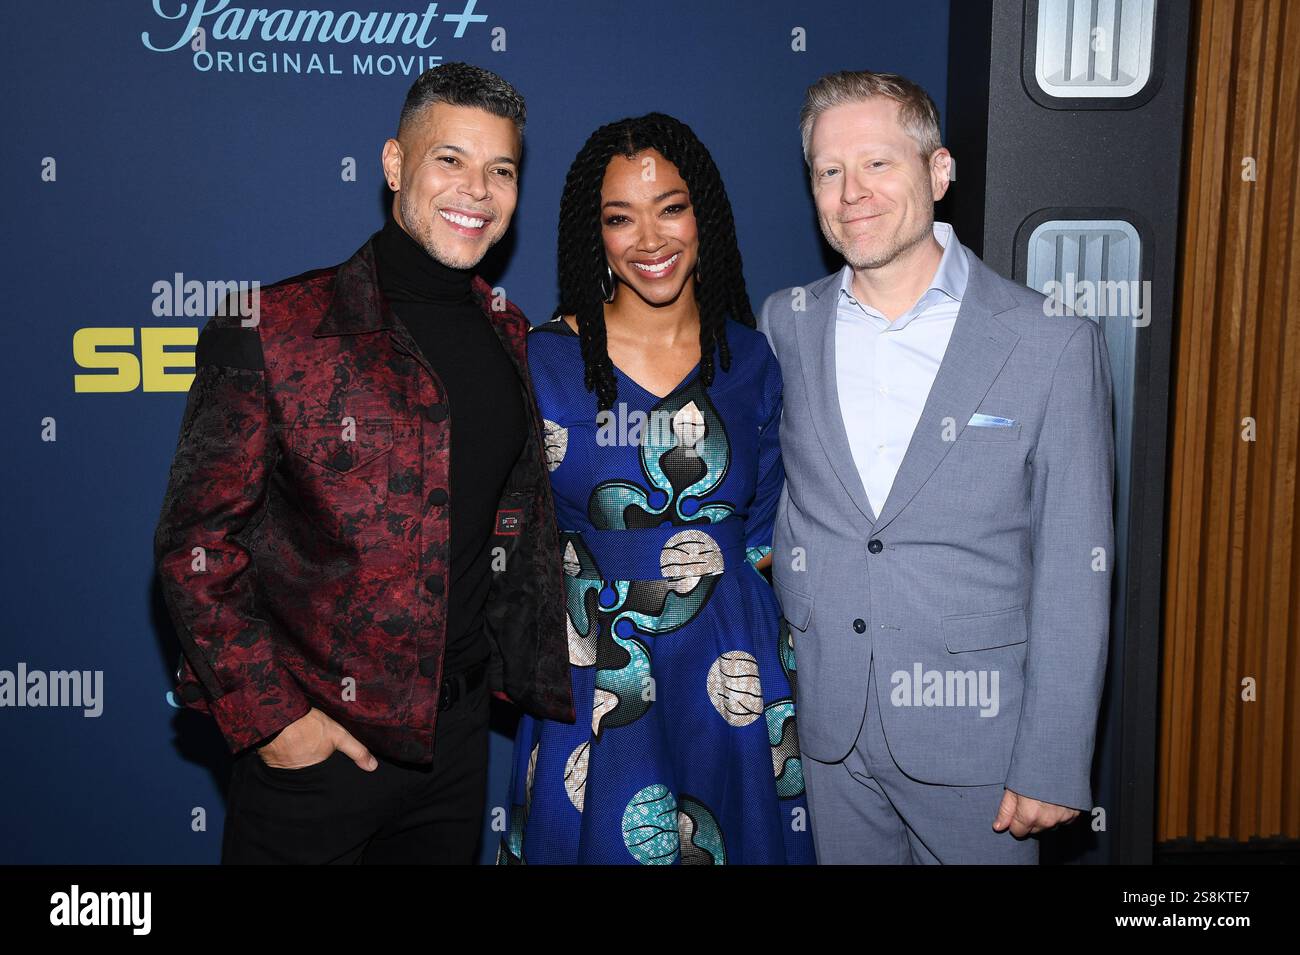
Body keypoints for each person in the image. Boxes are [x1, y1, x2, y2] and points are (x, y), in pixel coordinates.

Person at [153, 62, 573, 864]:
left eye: (501, 169)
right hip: (315, 757)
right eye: (449, 159)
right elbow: (193, 548)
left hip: (456, 751)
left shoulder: (509, 334)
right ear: (393, 164)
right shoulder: (276, 327)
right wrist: (275, 719)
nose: (476, 190)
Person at [758, 70, 1114, 863]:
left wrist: (1054, 755)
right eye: (829, 170)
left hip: (980, 744)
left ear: (938, 171)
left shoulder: (1049, 339)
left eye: (878, 163)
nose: (853, 192)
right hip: (832, 731)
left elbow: (1074, 565)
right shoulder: (786, 323)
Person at [497, 113, 814, 865]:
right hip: (597, 673)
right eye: (620, 217)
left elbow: (768, 528)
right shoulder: (542, 360)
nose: (650, 239)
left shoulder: (752, 361)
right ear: (594, 234)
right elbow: (508, 535)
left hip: (731, 667)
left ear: (704, 214)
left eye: (671, 207)